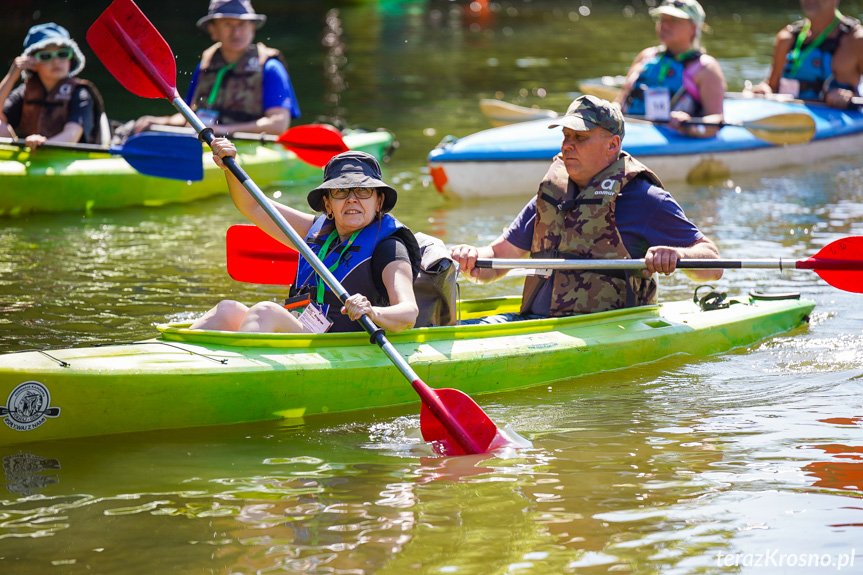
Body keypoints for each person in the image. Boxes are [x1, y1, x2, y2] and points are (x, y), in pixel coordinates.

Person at [449, 95, 722, 324]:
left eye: (580, 137)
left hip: (607, 329)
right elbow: (496, 260)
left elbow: (712, 266)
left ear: (612, 145)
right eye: (566, 136)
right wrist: (471, 258)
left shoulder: (645, 198)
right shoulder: (552, 195)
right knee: (445, 325)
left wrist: (676, 254)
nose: (568, 145)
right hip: (533, 323)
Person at [190, 143, 420, 334]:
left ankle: (237, 375)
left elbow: (409, 314)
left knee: (265, 312)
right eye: (341, 192)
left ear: (378, 202)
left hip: (341, 345)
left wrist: (372, 311)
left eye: (363, 191)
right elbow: (252, 205)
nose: (352, 199)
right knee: (227, 310)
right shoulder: (316, 231)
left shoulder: (390, 248)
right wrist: (229, 167)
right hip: (306, 330)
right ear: (328, 204)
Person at [133, 0, 301, 136]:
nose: (236, 33)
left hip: (246, 144)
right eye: (228, 24)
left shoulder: (271, 68)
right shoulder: (205, 65)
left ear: (252, 28)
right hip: (206, 141)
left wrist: (224, 131)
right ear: (213, 30)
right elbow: (191, 115)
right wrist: (161, 121)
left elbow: (278, 124)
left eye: (242, 25)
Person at [614, 0, 726, 138]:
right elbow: (620, 101)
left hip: (670, 139)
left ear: (693, 28)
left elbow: (716, 118)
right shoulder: (646, 56)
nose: (664, 25)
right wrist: (611, 111)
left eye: (674, 20)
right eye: (662, 19)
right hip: (630, 131)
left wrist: (691, 125)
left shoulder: (706, 68)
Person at [0, 22, 106, 148]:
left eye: (62, 54)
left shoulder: (80, 93)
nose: (56, 61)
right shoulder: (24, 92)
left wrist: (42, 145)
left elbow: (72, 135)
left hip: (66, 158)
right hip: (30, 155)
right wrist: (11, 77)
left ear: (71, 58)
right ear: (32, 62)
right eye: (45, 56)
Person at [749, 0, 863, 108]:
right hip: (787, 118)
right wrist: (762, 89)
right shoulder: (786, 38)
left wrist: (851, 97)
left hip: (835, 122)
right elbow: (770, 85)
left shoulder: (856, 40)